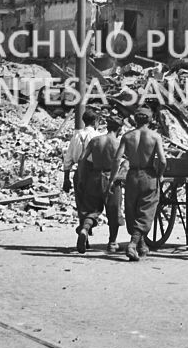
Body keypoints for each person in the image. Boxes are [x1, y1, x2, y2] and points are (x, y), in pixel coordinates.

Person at [108, 107, 166, 262]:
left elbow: (117, 159)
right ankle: (133, 244)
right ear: (150, 119)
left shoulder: (127, 136)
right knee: (146, 210)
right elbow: (162, 160)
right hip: (148, 175)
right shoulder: (155, 136)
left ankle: (141, 244)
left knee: (132, 208)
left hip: (132, 175)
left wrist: (112, 178)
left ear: (135, 119)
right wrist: (160, 175)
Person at [75, 114, 124, 254]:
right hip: (111, 178)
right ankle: (112, 243)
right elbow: (122, 161)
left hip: (94, 177)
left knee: (91, 209)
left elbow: (82, 159)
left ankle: (85, 229)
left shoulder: (95, 140)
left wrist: (81, 178)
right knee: (113, 211)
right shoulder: (119, 143)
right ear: (119, 129)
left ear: (107, 127)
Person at [62, 109, 99, 200]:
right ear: (95, 121)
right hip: (93, 174)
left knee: (80, 203)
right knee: (92, 204)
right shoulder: (98, 136)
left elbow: (68, 159)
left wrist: (66, 179)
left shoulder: (76, 136)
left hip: (79, 174)